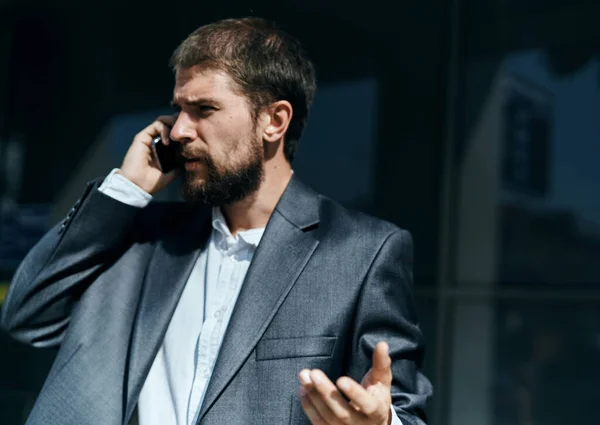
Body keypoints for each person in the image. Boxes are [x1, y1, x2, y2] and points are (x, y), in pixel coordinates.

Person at [1, 17, 431, 425]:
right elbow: (29, 313)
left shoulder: (362, 252)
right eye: (178, 109)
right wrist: (126, 190)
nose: (180, 131)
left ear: (274, 121)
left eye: (204, 109)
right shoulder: (141, 239)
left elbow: (401, 409)